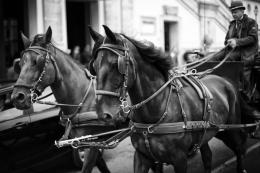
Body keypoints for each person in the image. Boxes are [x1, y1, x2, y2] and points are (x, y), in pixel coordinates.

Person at [212, 1, 260, 120]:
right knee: (214, 57)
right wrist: (229, 41)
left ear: (242, 11)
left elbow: (253, 38)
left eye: (236, 12)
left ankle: (245, 95)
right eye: (232, 12)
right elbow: (227, 39)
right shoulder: (232, 24)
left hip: (247, 54)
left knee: (229, 59)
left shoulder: (252, 22)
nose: (233, 14)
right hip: (233, 51)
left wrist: (237, 42)